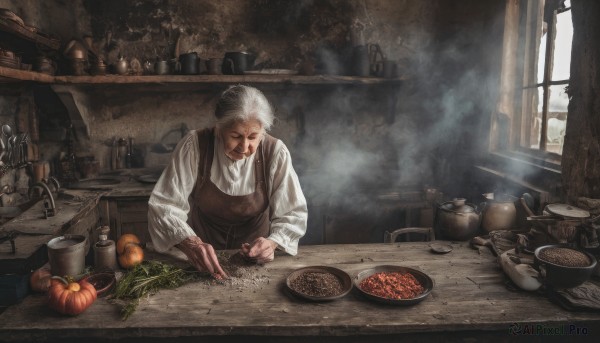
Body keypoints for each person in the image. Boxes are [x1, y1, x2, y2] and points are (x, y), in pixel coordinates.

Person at [148, 85, 308, 279]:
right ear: (219, 128)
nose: (244, 146)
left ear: (263, 132)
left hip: (255, 264)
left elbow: (293, 213)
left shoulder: (275, 152)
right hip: (203, 261)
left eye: (253, 137)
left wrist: (273, 242)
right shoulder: (194, 146)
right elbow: (164, 205)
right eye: (236, 136)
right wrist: (191, 244)